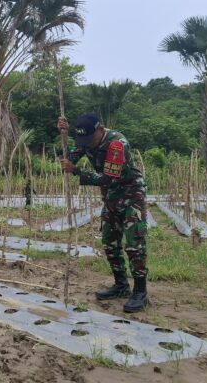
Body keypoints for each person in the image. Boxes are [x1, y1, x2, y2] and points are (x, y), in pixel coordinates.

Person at [58, 113, 149, 313]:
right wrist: (64, 136)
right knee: (110, 242)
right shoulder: (86, 140)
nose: (87, 145)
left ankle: (141, 292)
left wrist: (77, 171)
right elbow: (69, 158)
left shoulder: (118, 144)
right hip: (110, 198)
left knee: (135, 244)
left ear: (101, 130)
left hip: (130, 194)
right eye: (84, 141)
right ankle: (121, 285)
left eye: (90, 140)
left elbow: (107, 178)